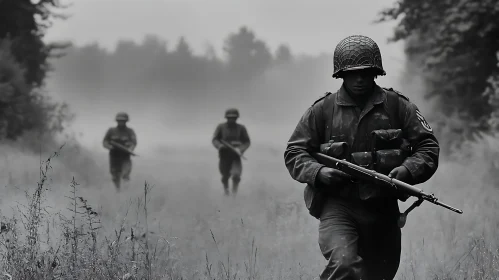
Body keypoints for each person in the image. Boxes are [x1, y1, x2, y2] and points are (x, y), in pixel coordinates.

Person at [284, 35, 440, 280]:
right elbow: (295, 152)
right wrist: (319, 173)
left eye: (366, 72)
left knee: (378, 274)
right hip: (338, 206)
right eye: (353, 72)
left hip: (383, 208)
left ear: (376, 72)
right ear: (341, 74)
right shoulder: (322, 110)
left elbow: (428, 146)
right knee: (344, 264)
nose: (360, 78)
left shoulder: (398, 106)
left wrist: (408, 170)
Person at [212, 108, 251, 196]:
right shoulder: (221, 127)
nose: (232, 119)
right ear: (226, 118)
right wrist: (220, 146)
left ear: (237, 118)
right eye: (230, 118)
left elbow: (247, 142)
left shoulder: (241, 128)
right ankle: (226, 193)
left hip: (235, 156)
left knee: (236, 175)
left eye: (234, 118)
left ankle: (234, 195)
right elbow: (215, 139)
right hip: (224, 156)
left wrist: (240, 149)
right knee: (225, 176)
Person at [103, 112, 137, 191]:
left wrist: (130, 149)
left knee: (125, 175)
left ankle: (126, 192)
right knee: (115, 176)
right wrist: (109, 147)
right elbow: (105, 142)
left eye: (123, 121)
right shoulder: (111, 131)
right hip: (114, 156)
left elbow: (134, 142)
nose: (121, 122)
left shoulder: (130, 131)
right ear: (117, 121)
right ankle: (117, 191)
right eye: (119, 121)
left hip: (125, 156)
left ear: (126, 121)